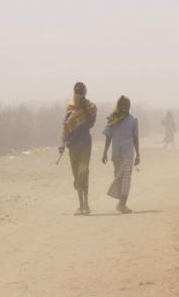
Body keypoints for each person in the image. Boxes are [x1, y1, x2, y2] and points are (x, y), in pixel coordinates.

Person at [60, 82, 97, 215]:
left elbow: (90, 124)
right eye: (77, 92)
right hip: (72, 145)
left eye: (81, 92)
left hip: (85, 144)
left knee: (83, 173)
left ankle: (86, 204)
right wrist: (62, 143)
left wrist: (84, 108)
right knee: (76, 175)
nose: (79, 94)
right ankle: (80, 205)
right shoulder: (70, 107)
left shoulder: (91, 107)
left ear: (85, 93)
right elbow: (65, 127)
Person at [102, 96, 140, 213]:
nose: (124, 107)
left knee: (126, 178)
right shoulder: (113, 119)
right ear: (118, 106)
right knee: (118, 177)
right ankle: (120, 202)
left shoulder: (133, 120)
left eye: (126, 105)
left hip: (128, 153)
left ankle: (123, 204)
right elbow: (108, 137)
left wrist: (138, 154)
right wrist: (104, 152)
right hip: (116, 153)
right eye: (122, 105)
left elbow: (135, 137)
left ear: (129, 106)